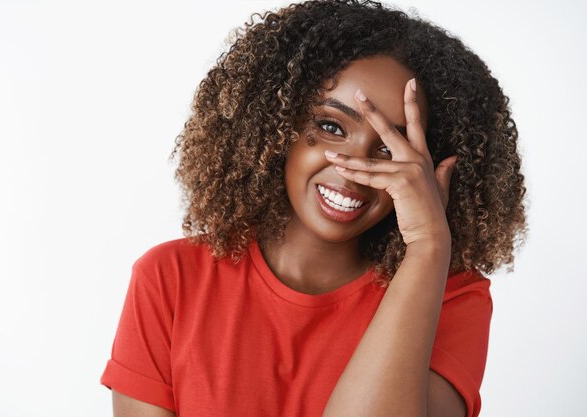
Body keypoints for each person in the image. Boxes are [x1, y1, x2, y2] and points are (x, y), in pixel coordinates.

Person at [100, 1, 527, 416]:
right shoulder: (170, 279)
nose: (355, 171)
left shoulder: (451, 297)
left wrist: (429, 244)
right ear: (276, 123)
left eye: (390, 148)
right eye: (330, 127)